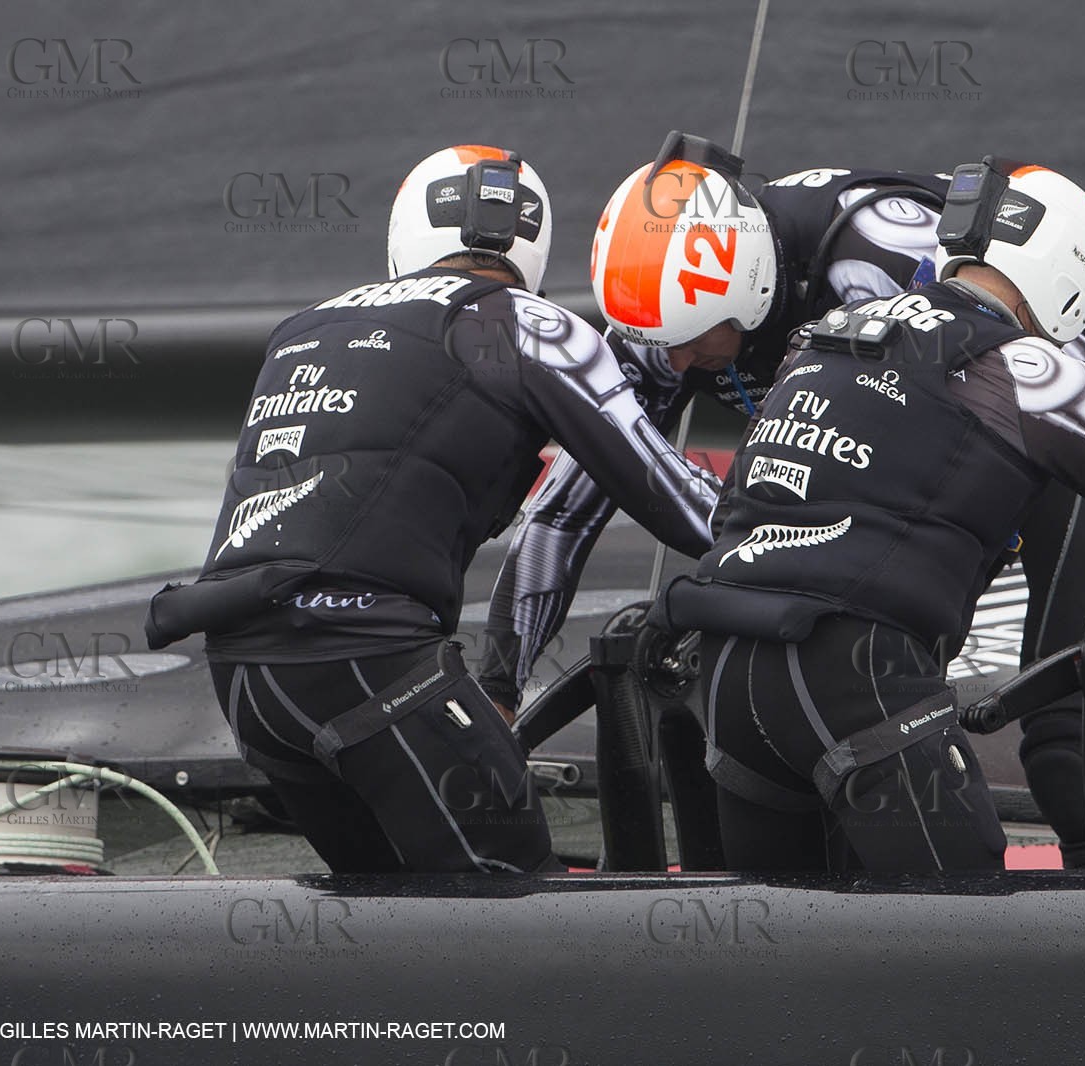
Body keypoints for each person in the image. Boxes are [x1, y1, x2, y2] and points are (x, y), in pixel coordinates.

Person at [647, 159, 1085, 874]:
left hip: (729, 672)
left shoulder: (826, 331)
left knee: (775, 963)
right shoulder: (1031, 367)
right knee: (974, 958)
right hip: (854, 677)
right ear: (1069, 284)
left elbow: (742, 499)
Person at [483, 132, 1085, 869]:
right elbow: (562, 510)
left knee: (1067, 722)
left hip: (1067, 385)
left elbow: (1028, 403)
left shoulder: (879, 261)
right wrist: (499, 687)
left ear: (747, 290)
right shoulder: (674, 310)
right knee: (832, 708)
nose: (674, 364)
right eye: (656, 344)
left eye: (687, 342)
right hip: (903, 459)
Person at [143, 144, 720, 874]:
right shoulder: (531, 324)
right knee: (516, 911)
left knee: (381, 922)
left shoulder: (299, 329)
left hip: (242, 678)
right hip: (370, 669)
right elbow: (683, 513)